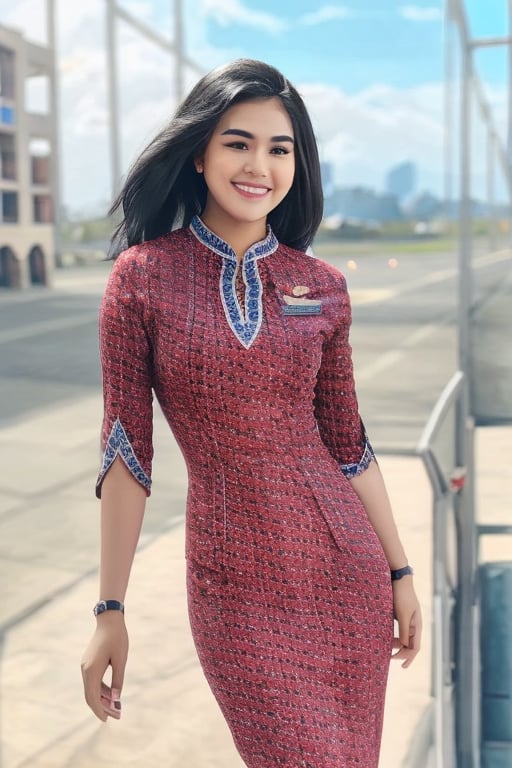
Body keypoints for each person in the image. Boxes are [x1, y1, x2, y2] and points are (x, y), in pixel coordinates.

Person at [81, 58, 422, 767]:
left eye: (279, 147)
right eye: (239, 142)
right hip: (234, 585)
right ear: (200, 152)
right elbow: (126, 453)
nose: (258, 165)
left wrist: (399, 572)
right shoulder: (142, 279)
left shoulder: (322, 286)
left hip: (344, 571)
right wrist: (109, 610)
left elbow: (348, 442)